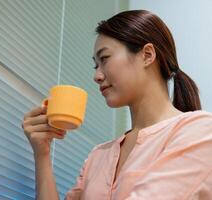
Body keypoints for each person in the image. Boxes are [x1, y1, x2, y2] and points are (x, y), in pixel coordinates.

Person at [22, 10, 212, 200]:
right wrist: (42, 154)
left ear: (147, 55)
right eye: (95, 65)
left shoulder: (200, 131)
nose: (96, 76)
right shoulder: (98, 156)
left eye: (104, 59)